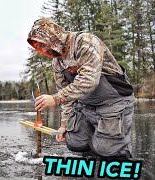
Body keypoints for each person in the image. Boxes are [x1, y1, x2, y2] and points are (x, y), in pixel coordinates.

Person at [27, 18, 134, 158]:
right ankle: (92, 163)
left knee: (109, 150)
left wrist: (55, 99)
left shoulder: (85, 42)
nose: (41, 51)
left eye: (42, 45)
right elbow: (66, 95)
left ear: (52, 38)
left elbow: (89, 80)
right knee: (74, 141)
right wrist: (64, 124)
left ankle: (117, 163)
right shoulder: (57, 63)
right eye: (37, 47)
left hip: (114, 101)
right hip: (86, 104)